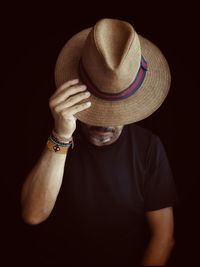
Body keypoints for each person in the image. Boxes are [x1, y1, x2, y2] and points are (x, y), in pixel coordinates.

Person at [21, 18, 177, 266]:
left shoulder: (148, 146)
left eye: (116, 111)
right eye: (96, 110)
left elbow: (163, 237)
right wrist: (60, 136)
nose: (104, 124)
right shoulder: (52, 134)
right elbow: (33, 214)